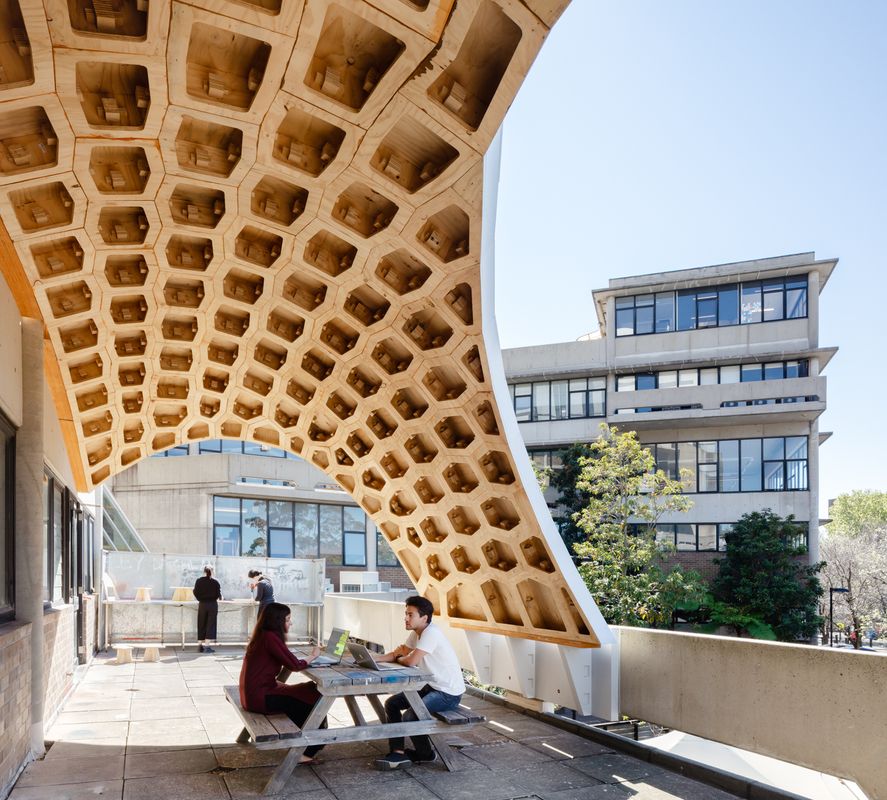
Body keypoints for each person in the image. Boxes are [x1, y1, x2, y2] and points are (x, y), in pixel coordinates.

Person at [375, 595, 465, 769]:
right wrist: (374, 659)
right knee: (392, 704)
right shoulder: (416, 633)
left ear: (424, 618)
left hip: (447, 693)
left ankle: (426, 754)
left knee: (411, 715)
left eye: (410, 615)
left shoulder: (431, 633)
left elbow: (410, 661)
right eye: (406, 614)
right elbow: (398, 654)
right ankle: (398, 752)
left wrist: (402, 657)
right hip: (430, 686)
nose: (406, 618)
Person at [239, 602, 326, 764]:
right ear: (277, 621)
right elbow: (294, 665)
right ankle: (306, 752)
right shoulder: (271, 638)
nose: (290, 623)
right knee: (316, 699)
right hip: (260, 698)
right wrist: (313, 656)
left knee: (309, 691)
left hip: (253, 695)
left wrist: (305, 659)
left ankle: (307, 744)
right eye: (287, 619)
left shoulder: (263, 635)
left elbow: (290, 661)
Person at [192, 565, 222, 654]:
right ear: (212, 571)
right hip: (212, 605)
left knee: (201, 623)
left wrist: (200, 599)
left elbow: (195, 592)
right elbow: (218, 594)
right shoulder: (215, 582)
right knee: (210, 624)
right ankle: (207, 646)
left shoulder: (199, 581)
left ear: (204, 571)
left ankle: (200, 646)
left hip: (202, 605)